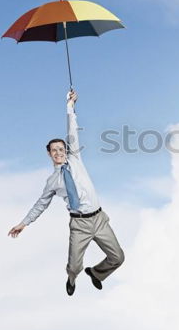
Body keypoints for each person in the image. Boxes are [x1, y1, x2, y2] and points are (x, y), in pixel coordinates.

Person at [8, 89, 125, 296]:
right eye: (54, 150)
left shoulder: (75, 159)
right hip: (79, 224)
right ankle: (72, 278)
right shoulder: (52, 181)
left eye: (62, 149)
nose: (59, 153)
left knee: (118, 258)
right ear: (49, 154)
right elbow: (40, 204)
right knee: (74, 266)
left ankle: (97, 274)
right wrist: (23, 223)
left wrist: (70, 106)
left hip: (98, 219)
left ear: (66, 150)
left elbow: (72, 131)